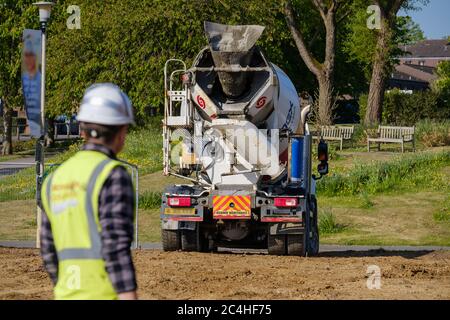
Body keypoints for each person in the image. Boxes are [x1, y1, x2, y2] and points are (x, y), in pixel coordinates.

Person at [40, 83, 138, 300]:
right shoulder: (113, 175)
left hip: (65, 294)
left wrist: (64, 286)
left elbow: (48, 249)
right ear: (121, 131)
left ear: (83, 130)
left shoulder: (54, 179)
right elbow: (116, 247)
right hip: (104, 294)